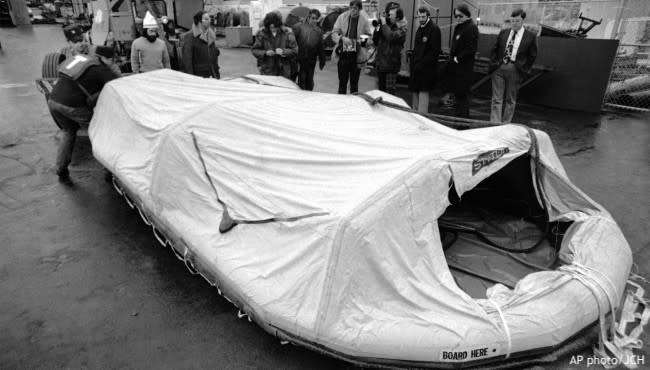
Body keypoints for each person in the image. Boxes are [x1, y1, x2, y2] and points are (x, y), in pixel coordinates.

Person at [47, 46, 119, 184]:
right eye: (112, 60)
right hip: (72, 106)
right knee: (101, 133)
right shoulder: (102, 69)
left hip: (53, 100)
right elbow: (117, 86)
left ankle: (60, 168)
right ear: (106, 58)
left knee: (68, 132)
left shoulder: (83, 60)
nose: (113, 62)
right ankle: (108, 171)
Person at [489, 8, 538, 123]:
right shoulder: (504, 33)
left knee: (510, 100)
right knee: (496, 99)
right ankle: (494, 124)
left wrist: (523, 69)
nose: (514, 23)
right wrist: (494, 64)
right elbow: (494, 49)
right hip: (499, 68)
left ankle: (506, 124)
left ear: (522, 21)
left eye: (517, 21)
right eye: (512, 21)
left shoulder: (530, 36)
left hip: (516, 69)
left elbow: (532, 55)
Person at [444, 4, 478, 118]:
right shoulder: (460, 26)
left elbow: (471, 49)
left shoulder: (471, 27)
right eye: (456, 16)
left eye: (460, 16)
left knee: (462, 98)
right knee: (458, 97)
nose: (457, 18)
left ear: (466, 14)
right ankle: (458, 121)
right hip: (456, 68)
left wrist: (457, 58)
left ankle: (462, 124)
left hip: (464, 69)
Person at [331, 0, 372, 94]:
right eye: (351, 8)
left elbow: (369, 36)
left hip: (356, 56)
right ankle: (342, 103)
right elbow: (334, 32)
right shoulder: (342, 17)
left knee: (354, 84)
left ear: (360, 9)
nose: (353, 10)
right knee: (342, 83)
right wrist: (342, 38)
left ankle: (354, 104)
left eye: (355, 8)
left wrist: (358, 42)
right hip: (343, 55)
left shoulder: (364, 20)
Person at [408, 6, 441, 113]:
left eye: (423, 17)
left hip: (426, 69)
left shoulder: (434, 29)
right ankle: (415, 115)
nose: (421, 19)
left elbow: (435, 51)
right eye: (419, 17)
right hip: (417, 67)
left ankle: (422, 118)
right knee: (415, 93)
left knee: (423, 93)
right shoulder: (420, 28)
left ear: (428, 16)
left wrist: (421, 63)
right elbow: (417, 48)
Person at [372, 4, 407, 95]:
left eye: (391, 15)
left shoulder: (402, 29)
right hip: (381, 65)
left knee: (389, 95)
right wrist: (378, 26)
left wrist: (383, 24)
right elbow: (375, 40)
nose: (388, 16)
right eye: (388, 14)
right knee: (380, 94)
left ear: (398, 18)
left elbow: (390, 36)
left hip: (391, 66)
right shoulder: (385, 26)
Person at [252, 12, 298, 79]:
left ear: (279, 25)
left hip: (283, 71)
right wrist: (265, 53)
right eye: (270, 28)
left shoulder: (287, 33)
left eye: (275, 27)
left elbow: (295, 50)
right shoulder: (261, 34)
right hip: (268, 71)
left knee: (282, 88)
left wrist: (283, 51)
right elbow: (254, 50)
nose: (273, 29)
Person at [292, 9, 326, 90]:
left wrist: (322, 60)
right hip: (298, 58)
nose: (314, 20)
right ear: (308, 17)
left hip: (311, 60)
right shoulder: (298, 27)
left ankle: (308, 98)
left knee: (309, 82)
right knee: (299, 80)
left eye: (316, 19)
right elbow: (292, 42)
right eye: (313, 18)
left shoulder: (319, 31)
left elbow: (321, 46)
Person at [181, 10, 220, 78]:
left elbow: (214, 58)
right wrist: (191, 78)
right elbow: (187, 61)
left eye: (209, 19)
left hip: (212, 74)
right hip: (199, 76)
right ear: (199, 22)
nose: (210, 21)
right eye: (206, 19)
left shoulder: (210, 35)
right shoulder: (190, 37)